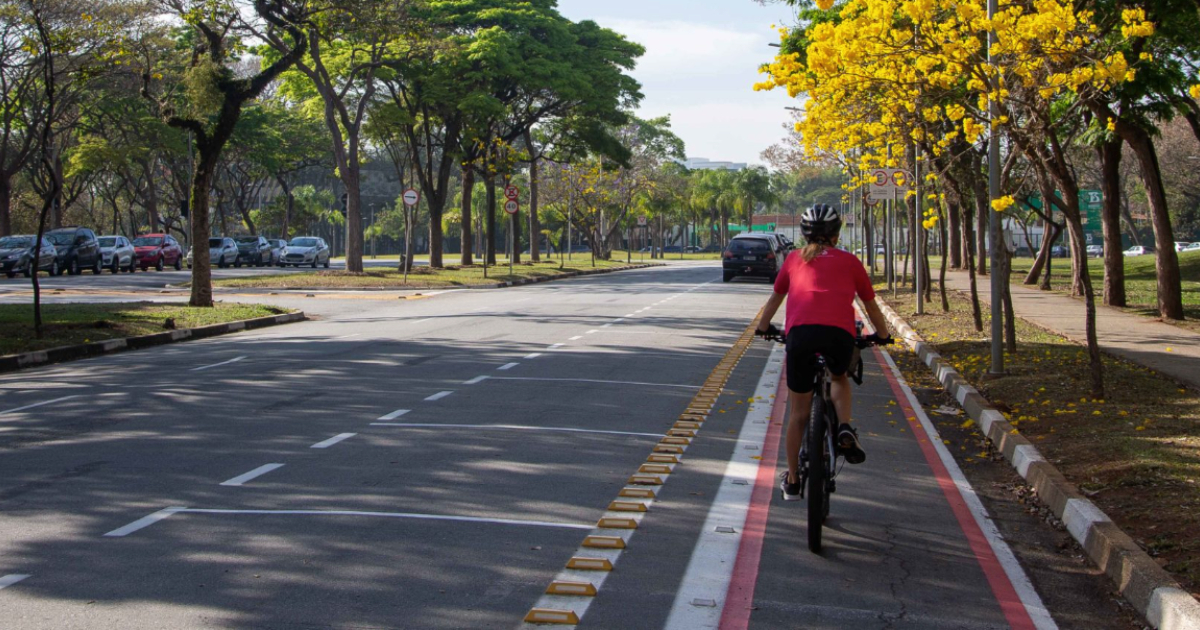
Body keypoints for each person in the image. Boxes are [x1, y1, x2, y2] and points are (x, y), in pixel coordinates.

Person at [754, 204, 892, 501]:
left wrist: (763, 328)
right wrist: (882, 336)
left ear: (804, 234)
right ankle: (843, 427)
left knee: (798, 414)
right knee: (840, 377)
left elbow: (774, 300)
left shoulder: (792, 259)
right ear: (837, 233)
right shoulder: (850, 261)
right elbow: (871, 306)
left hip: (800, 337)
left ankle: (792, 480)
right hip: (838, 336)